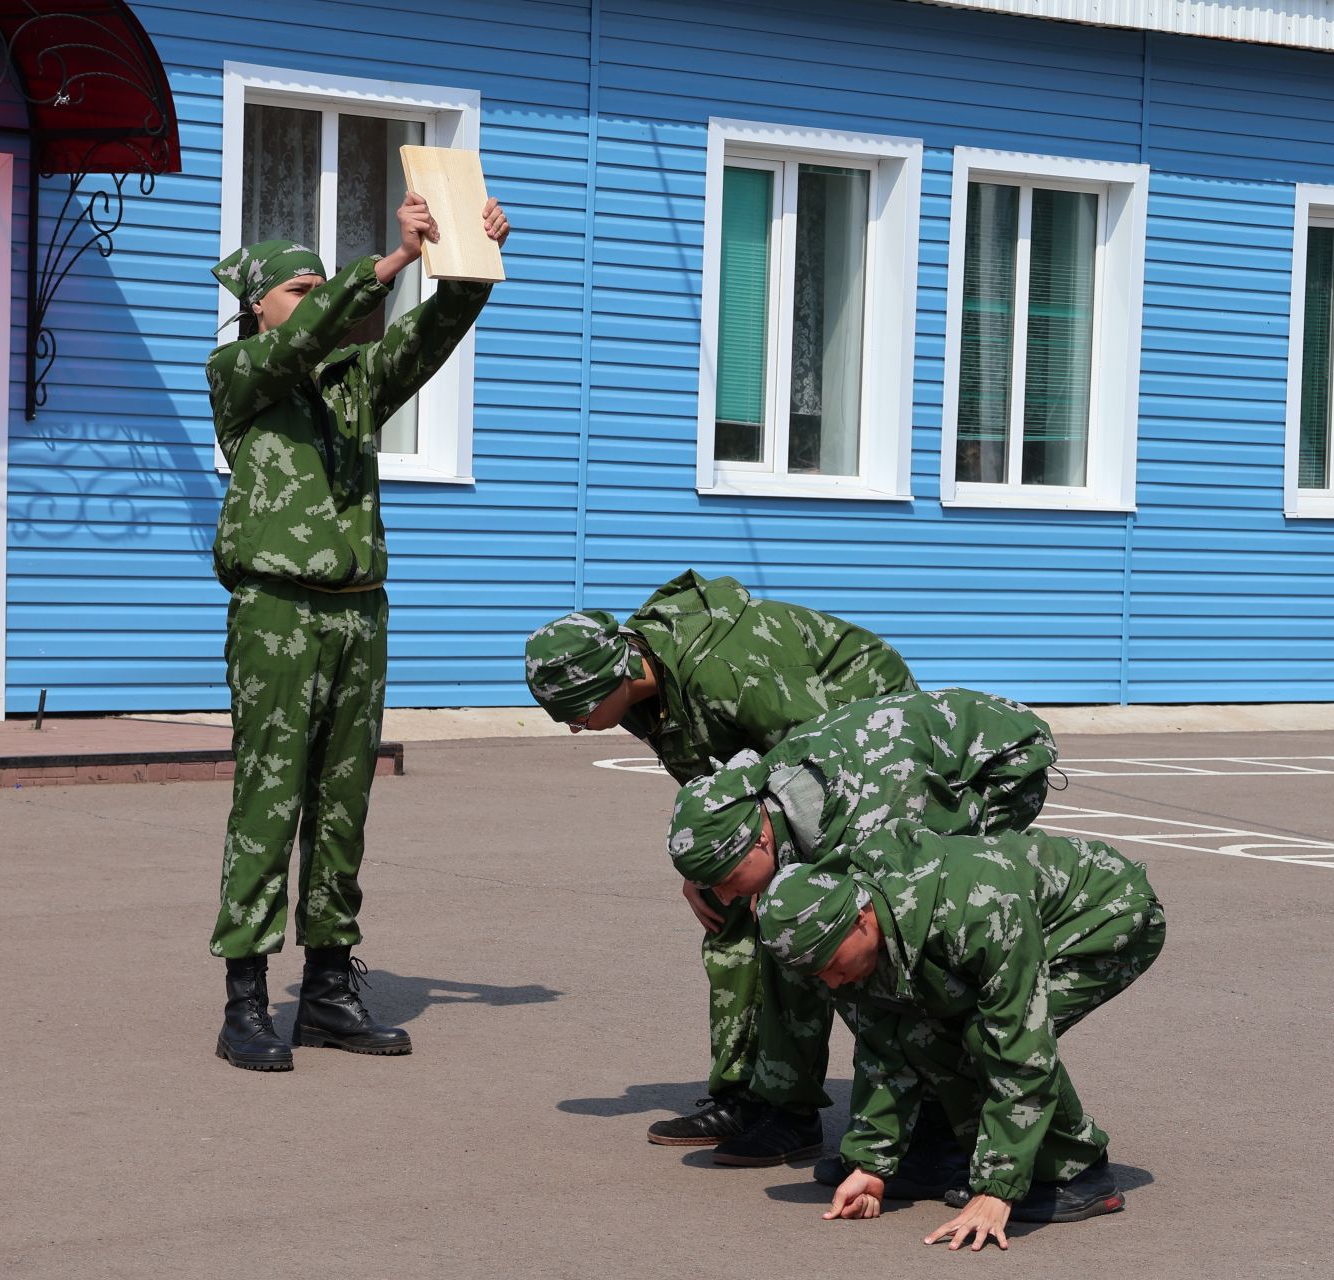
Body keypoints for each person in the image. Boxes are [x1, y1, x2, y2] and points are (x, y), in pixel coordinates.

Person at [208, 193, 511, 1072]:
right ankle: (247, 1000)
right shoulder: (239, 376)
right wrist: (387, 262)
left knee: (343, 807)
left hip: (357, 608)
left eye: (319, 285)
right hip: (276, 612)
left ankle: (331, 988)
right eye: (298, 288)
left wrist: (463, 257)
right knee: (270, 802)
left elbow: (428, 339)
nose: (314, 300)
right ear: (258, 307)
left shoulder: (353, 385)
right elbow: (303, 340)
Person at [522, 570, 916, 1139]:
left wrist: (780, 868)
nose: (578, 728)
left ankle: (789, 1108)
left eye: (578, 712)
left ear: (619, 673)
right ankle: (743, 1097)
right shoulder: (640, 687)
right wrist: (705, 863)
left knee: (797, 920)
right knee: (727, 912)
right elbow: (707, 776)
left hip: (871, 755)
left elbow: (819, 761)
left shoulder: (730, 668)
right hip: (791, 769)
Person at [664, 687, 1058, 1171]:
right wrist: (703, 875)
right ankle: (791, 1110)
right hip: (903, 765)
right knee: (797, 937)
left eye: (725, 880)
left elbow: (905, 893)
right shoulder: (759, 802)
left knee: (903, 951)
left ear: (761, 837)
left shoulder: (870, 820)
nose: (723, 896)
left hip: (1001, 765)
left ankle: (943, 1126)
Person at [756, 826, 1166, 1251]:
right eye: (814, 974)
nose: (829, 980)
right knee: (921, 1029)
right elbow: (882, 1044)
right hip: (1021, 920)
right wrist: (870, 1164)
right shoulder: (867, 928)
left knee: (985, 1036)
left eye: (829, 963)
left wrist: (997, 1189)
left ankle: (1079, 1172)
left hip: (1107, 915)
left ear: (860, 919)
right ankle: (943, 1155)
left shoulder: (979, 909)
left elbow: (1021, 1048)